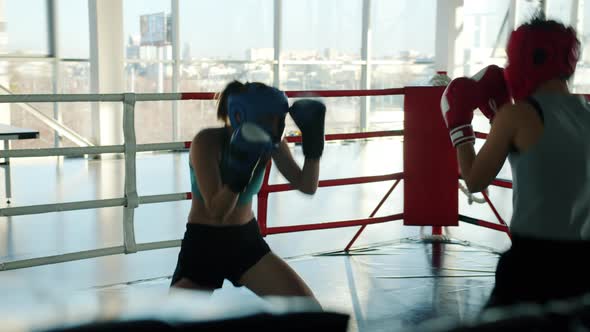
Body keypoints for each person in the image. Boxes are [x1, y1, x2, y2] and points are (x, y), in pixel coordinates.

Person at [441, 17, 590, 309]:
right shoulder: (586, 113)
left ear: (525, 59)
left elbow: (473, 180)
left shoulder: (516, 116)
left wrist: (459, 127)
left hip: (533, 263)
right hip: (584, 262)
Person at [170, 81, 325, 307]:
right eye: (269, 118)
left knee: (309, 312)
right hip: (205, 244)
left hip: (245, 242)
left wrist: (313, 146)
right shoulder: (207, 142)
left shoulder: (274, 142)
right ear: (243, 116)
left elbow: (307, 185)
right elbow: (217, 212)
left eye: (280, 118)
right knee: (170, 324)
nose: (277, 125)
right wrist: (241, 169)